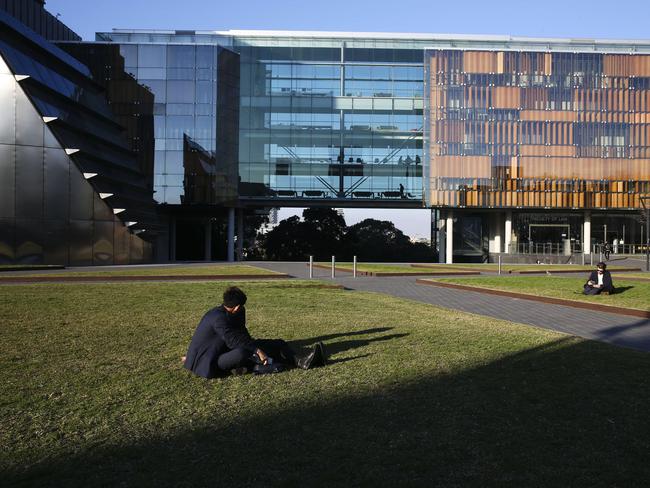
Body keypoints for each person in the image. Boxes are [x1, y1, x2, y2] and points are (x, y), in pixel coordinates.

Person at [183, 286, 326, 378]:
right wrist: (257, 350)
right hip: (211, 360)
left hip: (226, 349)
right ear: (237, 306)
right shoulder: (217, 318)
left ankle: (301, 361)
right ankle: (254, 365)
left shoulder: (236, 312)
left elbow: (242, 334)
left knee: (278, 343)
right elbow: (232, 341)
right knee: (243, 352)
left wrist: (258, 347)